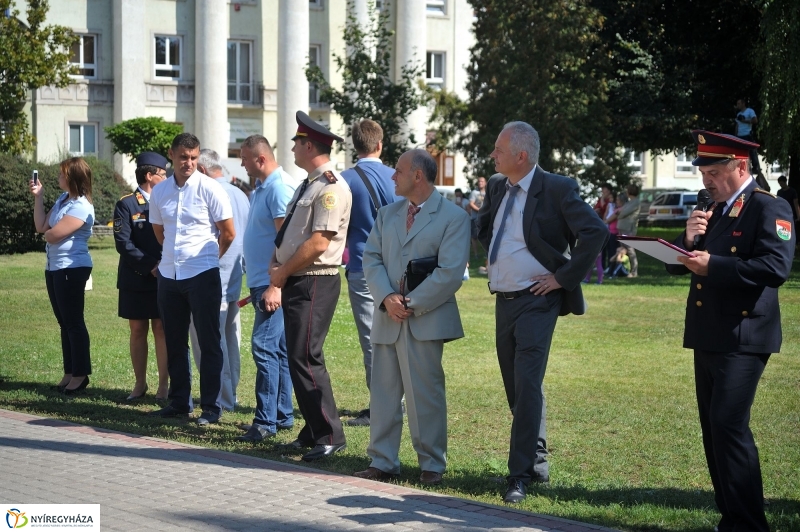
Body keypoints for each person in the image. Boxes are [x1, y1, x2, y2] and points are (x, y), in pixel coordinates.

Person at [666, 130, 794, 532]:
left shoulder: (769, 208)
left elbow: (775, 269)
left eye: (715, 172)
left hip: (744, 336)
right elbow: (685, 261)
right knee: (713, 429)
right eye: (703, 172)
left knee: (728, 425)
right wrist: (686, 241)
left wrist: (714, 266)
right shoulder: (717, 209)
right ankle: (731, 518)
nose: (706, 180)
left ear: (741, 166)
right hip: (708, 335)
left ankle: (749, 524)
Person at [477, 121, 608, 504]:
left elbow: (595, 232)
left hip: (538, 299)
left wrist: (563, 277)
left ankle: (519, 475)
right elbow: (486, 228)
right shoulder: (497, 185)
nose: (493, 155)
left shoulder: (558, 188)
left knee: (528, 382)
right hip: (504, 300)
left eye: (498, 149)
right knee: (516, 388)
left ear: (521, 155)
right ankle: (536, 459)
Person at [354, 149, 470, 485]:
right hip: (389, 316)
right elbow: (370, 258)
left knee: (425, 395)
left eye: (399, 171)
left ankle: (432, 465)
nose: (393, 176)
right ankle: (382, 461)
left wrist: (411, 302)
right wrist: (387, 298)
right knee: (384, 393)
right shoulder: (388, 214)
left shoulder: (453, 217)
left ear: (418, 175)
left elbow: (450, 273)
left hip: (425, 319)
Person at [269, 111, 352, 461]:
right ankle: (313, 427)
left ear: (308, 145)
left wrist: (283, 270)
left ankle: (331, 434)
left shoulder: (330, 186)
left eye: (296, 143)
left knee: (306, 356)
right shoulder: (309, 183)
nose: (291, 147)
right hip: (299, 279)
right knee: (298, 355)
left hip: (315, 280)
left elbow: (320, 242)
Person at [148, 133, 235, 426]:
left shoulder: (210, 188)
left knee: (209, 342)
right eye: (184, 157)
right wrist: (171, 258)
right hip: (169, 274)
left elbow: (228, 232)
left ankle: (211, 406)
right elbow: (160, 232)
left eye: (194, 158)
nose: (189, 163)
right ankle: (179, 402)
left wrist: (209, 258)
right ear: (171, 154)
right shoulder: (160, 192)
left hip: (202, 273)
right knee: (174, 340)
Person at [236, 134, 299, 442]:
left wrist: (277, 285)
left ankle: (265, 422)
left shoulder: (277, 187)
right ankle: (281, 416)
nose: (241, 163)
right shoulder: (264, 188)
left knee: (264, 347)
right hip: (265, 281)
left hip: (273, 283)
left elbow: (286, 242)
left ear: (260, 159)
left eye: (244, 158)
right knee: (278, 350)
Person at [340, 119, 399, 428]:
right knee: (396, 336)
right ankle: (397, 399)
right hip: (397, 267)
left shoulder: (343, 180)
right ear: (379, 145)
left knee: (371, 338)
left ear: (355, 145)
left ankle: (382, 406)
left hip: (363, 266)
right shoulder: (397, 177)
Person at [188, 149, 250, 412]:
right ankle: (229, 394)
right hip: (234, 275)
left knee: (210, 344)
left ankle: (220, 399)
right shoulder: (240, 193)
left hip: (213, 277)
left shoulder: (209, 192)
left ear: (202, 170)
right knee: (229, 340)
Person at [30, 157, 95, 395]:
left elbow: (52, 235)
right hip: (55, 266)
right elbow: (41, 227)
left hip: (72, 268)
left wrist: (48, 231)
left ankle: (80, 374)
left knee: (74, 322)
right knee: (64, 323)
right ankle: (69, 372)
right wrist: (39, 197)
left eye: (62, 173)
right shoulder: (62, 199)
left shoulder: (81, 206)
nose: (58, 176)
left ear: (72, 177)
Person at [113, 152, 169, 401]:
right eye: (162, 173)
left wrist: (162, 265)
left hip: (163, 275)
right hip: (136, 277)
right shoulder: (126, 204)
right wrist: (150, 265)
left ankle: (164, 386)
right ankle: (139, 383)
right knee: (137, 330)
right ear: (149, 175)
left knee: (161, 329)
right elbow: (123, 243)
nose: (166, 177)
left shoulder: (166, 200)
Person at [611, 183, 640, 277]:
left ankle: (634, 271)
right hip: (622, 228)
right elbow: (620, 211)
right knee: (622, 250)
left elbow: (623, 212)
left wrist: (619, 213)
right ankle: (622, 269)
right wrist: (619, 212)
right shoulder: (629, 202)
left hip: (628, 229)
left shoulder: (636, 202)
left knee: (630, 250)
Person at [734, 98, 765, 185]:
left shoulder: (749, 111)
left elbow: (755, 120)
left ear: (743, 103)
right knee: (741, 154)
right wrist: (735, 136)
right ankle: (743, 168)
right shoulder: (738, 114)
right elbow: (737, 125)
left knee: (752, 152)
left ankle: (755, 167)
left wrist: (745, 121)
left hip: (747, 134)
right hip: (740, 136)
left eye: (739, 103)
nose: (738, 105)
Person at [468, 176, 487, 272]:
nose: (480, 183)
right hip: (475, 218)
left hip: (486, 218)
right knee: (474, 237)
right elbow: (471, 204)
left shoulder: (488, 193)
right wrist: (480, 210)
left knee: (486, 236)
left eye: (482, 181)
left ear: (485, 183)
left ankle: (486, 254)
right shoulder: (474, 193)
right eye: (479, 181)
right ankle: (476, 254)